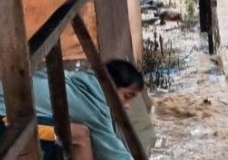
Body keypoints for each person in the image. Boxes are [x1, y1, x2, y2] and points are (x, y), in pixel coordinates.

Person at [0, 59, 144, 160]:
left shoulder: (84, 81)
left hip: (12, 110)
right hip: (5, 119)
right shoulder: (94, 105)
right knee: (80, 136)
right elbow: (113, 153)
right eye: (127, 96)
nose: (127, 105)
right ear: (111, 86)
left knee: (76, 134)